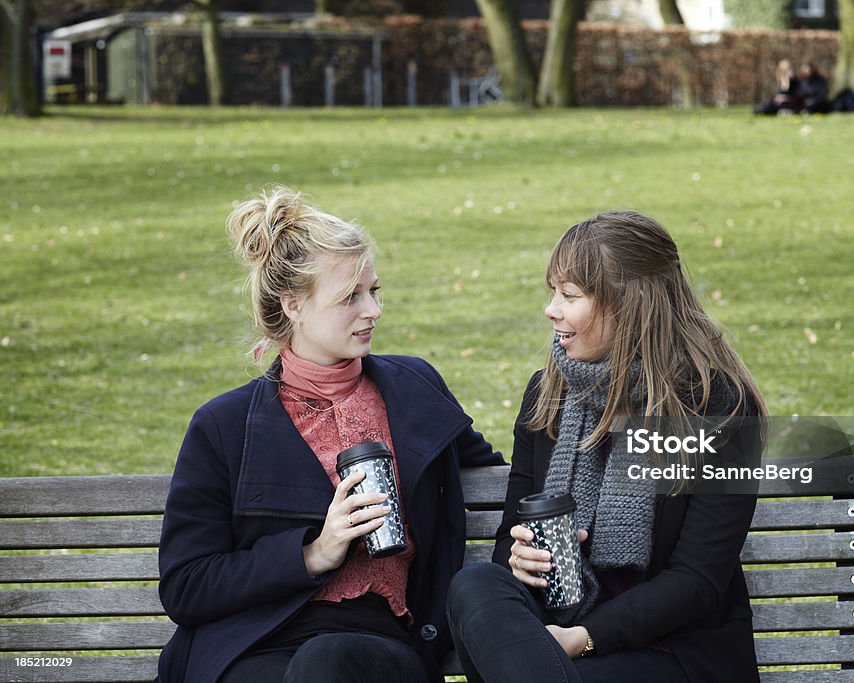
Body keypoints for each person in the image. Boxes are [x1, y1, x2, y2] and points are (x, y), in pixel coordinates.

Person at [157, 187, 503, 683]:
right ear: (294, 304)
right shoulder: (224, 425)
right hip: (252, 643)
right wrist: (314, 553)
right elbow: (187, 586)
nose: (374, 311)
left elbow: (498, 477)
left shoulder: (414, 388)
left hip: (378, 644)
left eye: (374, 291)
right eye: (350, 297)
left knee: (325, 663)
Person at [447, 211, 768, 682]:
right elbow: (510, 541)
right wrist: (520, 559)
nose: (551, 310)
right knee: (475, 583)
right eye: (553, 292)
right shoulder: (547, 395)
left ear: (629, 304)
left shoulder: (718, 404)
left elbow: (698, 581)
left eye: (569, 296)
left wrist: (584, 638)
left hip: (674, 654)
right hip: (550, 645)